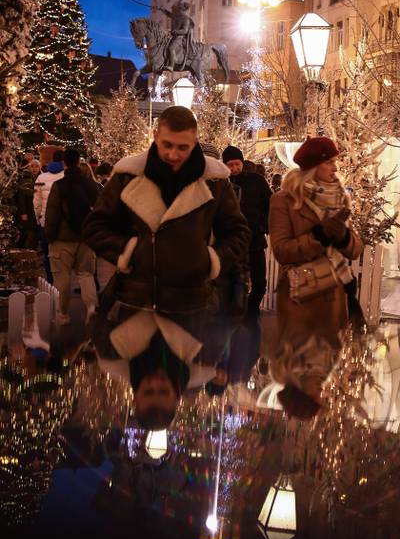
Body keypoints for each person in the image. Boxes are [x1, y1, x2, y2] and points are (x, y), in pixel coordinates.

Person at [82, 106, 250, 430]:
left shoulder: (214, 182)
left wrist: (211, 260)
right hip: (133, 302)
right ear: (156, 137)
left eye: (183, 147)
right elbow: (95, 226)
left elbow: (239, 232)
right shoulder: (129, 175)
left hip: (192, 304)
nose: (174, 154)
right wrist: (127, 251)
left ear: (195, 142)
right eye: (167, 145)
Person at [267, 136, 362, 420]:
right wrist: (319, 237)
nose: (335, 168)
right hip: (300, 298)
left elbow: (355, 249)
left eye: (334, 162)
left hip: (335, 294)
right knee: (303, 351)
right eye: (329, 162)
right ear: (313, 166)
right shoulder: (283, 201)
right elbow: (282, 250)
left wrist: (343, 236)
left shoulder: (338, 197)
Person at [45, 147, 100, 325]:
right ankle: (91, 309)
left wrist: (49, 236)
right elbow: (99, 212)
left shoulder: (59, 185)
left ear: (64, 163)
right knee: (86, 275)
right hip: (85, 239)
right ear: (78, 161)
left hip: (62, 239)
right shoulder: (91, 185)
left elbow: (52, 213)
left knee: (62, 277)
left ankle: (63, 315)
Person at [222, 145, 272, 339]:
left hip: (255, 240)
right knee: (235, 283)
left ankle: (251, 312)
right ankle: (235, 317)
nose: (234, 168)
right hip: (232, 243)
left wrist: (263, 225)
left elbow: (270, 204)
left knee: (260, 283)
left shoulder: (256, 181)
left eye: (237, 164)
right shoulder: (223, 184)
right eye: (230, 165)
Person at [34, 149, 65, 282]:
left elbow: (37, 201)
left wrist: (38, 217)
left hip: (45, 221)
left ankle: (50, 280)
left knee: (48, 253)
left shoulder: (41, 178)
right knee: (63, 254)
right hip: (63, 221)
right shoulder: (66, 176)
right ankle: (62, 280)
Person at [13, 158, 40, 249]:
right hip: (28, 210)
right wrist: (23, 212)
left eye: (36, 166)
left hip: (37, 210)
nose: (34, 169)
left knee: (35, 232)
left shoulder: (41, 179)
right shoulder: (25, 179)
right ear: (29, 168)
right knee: (28, 232)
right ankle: (25, 251)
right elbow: (21, 198)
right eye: (32, 166)